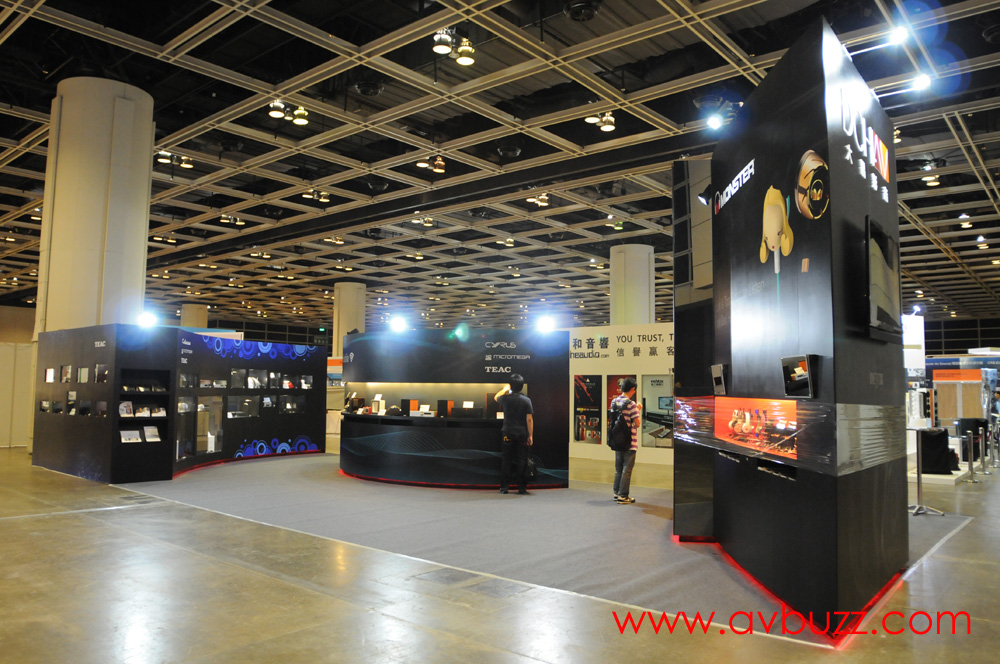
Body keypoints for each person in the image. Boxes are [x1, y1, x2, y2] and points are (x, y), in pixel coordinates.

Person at [494, 374, 533, 494]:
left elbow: (496, 397)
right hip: (522, 433)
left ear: (511, 385)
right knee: (522, 460)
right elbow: (529, 419)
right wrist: (530, 435)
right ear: (522, 386)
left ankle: (504, 487)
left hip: (507, 432)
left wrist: (505, 389)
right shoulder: (526, 400)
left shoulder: (505, 398)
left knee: (506, 460)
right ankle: (521, 487)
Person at [611, 377, 641, 504]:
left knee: (618, 468)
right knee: (627, 469)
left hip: (617, 441)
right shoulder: (631, 404)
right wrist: (638, 409)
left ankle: (616, 492)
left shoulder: (614, 402)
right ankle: (623, 496)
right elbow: (637, 424)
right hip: (630, 442)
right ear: (633, 389)